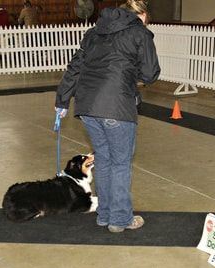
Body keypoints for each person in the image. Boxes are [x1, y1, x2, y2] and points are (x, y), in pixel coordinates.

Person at [55, 0, 160, 233]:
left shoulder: (93, 32)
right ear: (141, 15)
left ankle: (104, 215)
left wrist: (62, 100)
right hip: (117, 107)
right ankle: (120, 219)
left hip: (88, 107)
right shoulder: (139, 33)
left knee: (103, 160)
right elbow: (151, 73)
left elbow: (75, 67)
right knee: (120, 164)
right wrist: (133, 75)